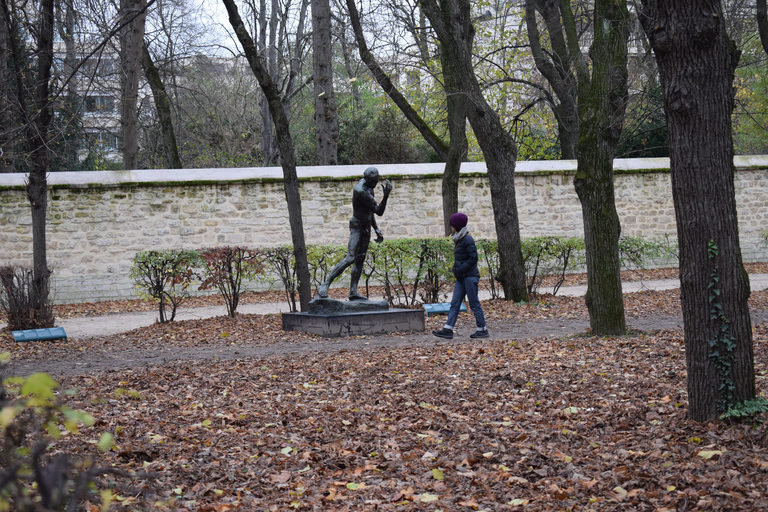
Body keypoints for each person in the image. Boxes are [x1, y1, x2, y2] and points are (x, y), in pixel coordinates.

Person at [317, 167, 393, 300]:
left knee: (360, 258)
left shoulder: (369, 186)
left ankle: (353, 291)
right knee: (351, 257)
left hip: (366, 226)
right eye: (374, 181)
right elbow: (378, 211)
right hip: (357, 225)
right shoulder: (360, 190)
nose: (376, 183)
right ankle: (325, 284)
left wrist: (376, 228)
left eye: (376, 180)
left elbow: (369, 210)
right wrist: (386, 195)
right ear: (369, 180)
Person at [433, 212, 489, 339]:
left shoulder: (467, 239)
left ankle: (482, 329)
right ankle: (448, 329)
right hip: (462, 277)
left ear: (456, 226)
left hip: (469, 276)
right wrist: (457, 270)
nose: (451, 227)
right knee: (455, 303)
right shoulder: (459, 238)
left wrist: (461, 269)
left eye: (452, 225)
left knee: (474, 303)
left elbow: (473, 258)